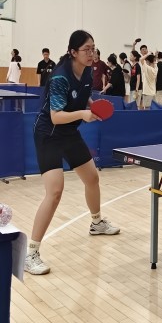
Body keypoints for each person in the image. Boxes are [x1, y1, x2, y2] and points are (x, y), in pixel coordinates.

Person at [25, 30, 120, 276]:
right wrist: (83, 115)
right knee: (55, 191)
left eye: (93, 48)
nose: (92, 53)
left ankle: (97, 223)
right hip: (48, 134)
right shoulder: (60, 77)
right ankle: (31, 253)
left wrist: (91, 106)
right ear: (73, 52)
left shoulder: (87, 70)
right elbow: (56, 116)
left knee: (92, 178)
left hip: (68, 132)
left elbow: (84, 95)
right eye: (87, 49)